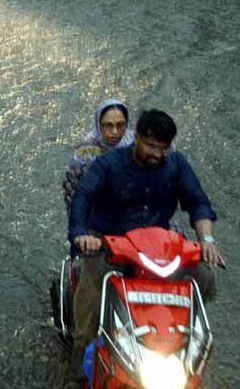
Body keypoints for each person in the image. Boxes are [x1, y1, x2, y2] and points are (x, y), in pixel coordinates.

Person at [67, 109, 223, 381]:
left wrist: (206, 240)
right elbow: (83, 197)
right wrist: (82, 234)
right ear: (136, 138)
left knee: (204, 278)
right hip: (110, 244)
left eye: (163, 148)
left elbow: (198, 202)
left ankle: (189, 341)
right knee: (94, 281)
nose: (158, 154)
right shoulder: (108, 164)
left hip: (157, 246)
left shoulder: (176, 164)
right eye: (151, 146)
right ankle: (79, 356)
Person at [62, 99, 134, 212]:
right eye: (108, 125)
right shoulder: (85, 152)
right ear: (98, 125)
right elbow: (74, 194)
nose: (115, 132)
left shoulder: (136, 144)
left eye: (120, 125)